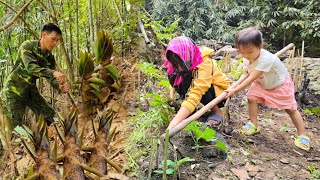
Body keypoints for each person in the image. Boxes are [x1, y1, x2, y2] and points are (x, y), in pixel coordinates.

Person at [225, 27, 310, 151]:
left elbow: (251, 78)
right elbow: (245, 74)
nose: (246, 55)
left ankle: (303, 135)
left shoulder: (266, 59)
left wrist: (235, 91)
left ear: (260, 46)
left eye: (249, 52)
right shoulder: (246, 58)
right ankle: (253, 124)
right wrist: (233, 86)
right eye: (242, 52)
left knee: (290, 109)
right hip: (263, 83)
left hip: (279, 85)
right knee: (251, 98)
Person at [1, 23, 69, 127]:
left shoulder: (49, 57)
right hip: (13, 91)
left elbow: (51, 78)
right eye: (53, 39)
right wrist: (53, 72)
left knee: (50, 116)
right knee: (16, 127)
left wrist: (59, 86)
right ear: (44, 35)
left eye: (57, 41)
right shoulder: (27, 46)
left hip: (30, 90)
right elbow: (31, 68)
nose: (55, 43)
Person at [164, 36, 230, 129]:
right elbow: (174, 80)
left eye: (181, 63)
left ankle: (217, 111)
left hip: (219, 93)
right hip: (200, 87)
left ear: (187, 56)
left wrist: (171, 127)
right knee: (175, 76)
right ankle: (191, 108)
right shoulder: (181, 65)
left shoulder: (204, 62)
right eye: (175, 64)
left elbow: (197, 91)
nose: (179, 68)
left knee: (200, 87)